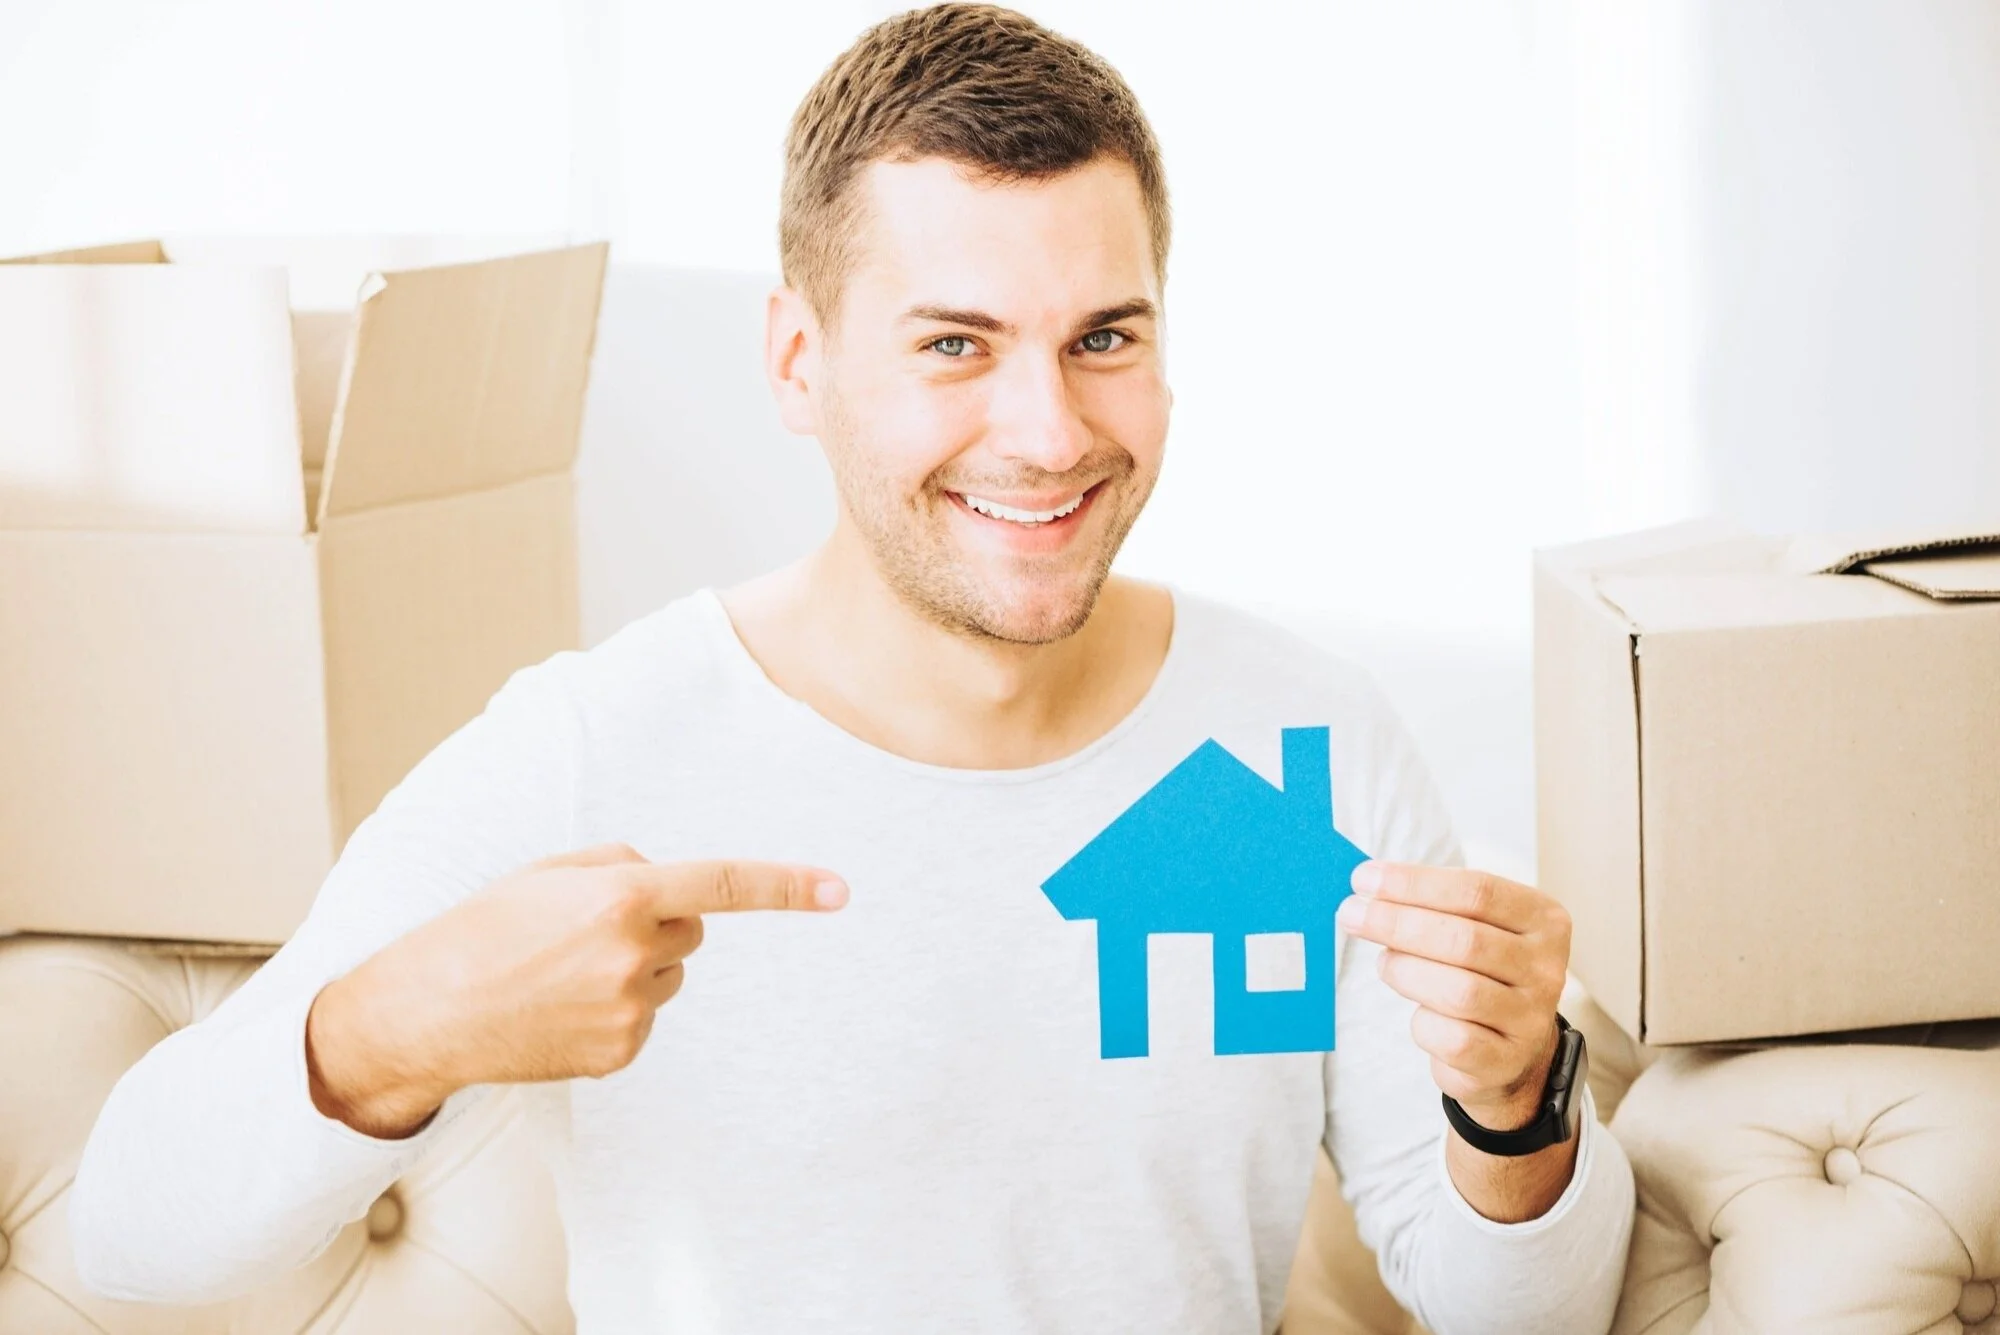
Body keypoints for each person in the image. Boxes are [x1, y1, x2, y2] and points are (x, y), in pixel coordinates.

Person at [70, 5, 1634, 1331]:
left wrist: (1518, 1098)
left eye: (1105, 338)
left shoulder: (1306, 741)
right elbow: (130, 1242)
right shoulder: (596, 752)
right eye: (954, 344)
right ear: (798, 363)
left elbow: (1522, 1307)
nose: (1049, 432)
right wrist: (400, 1025)